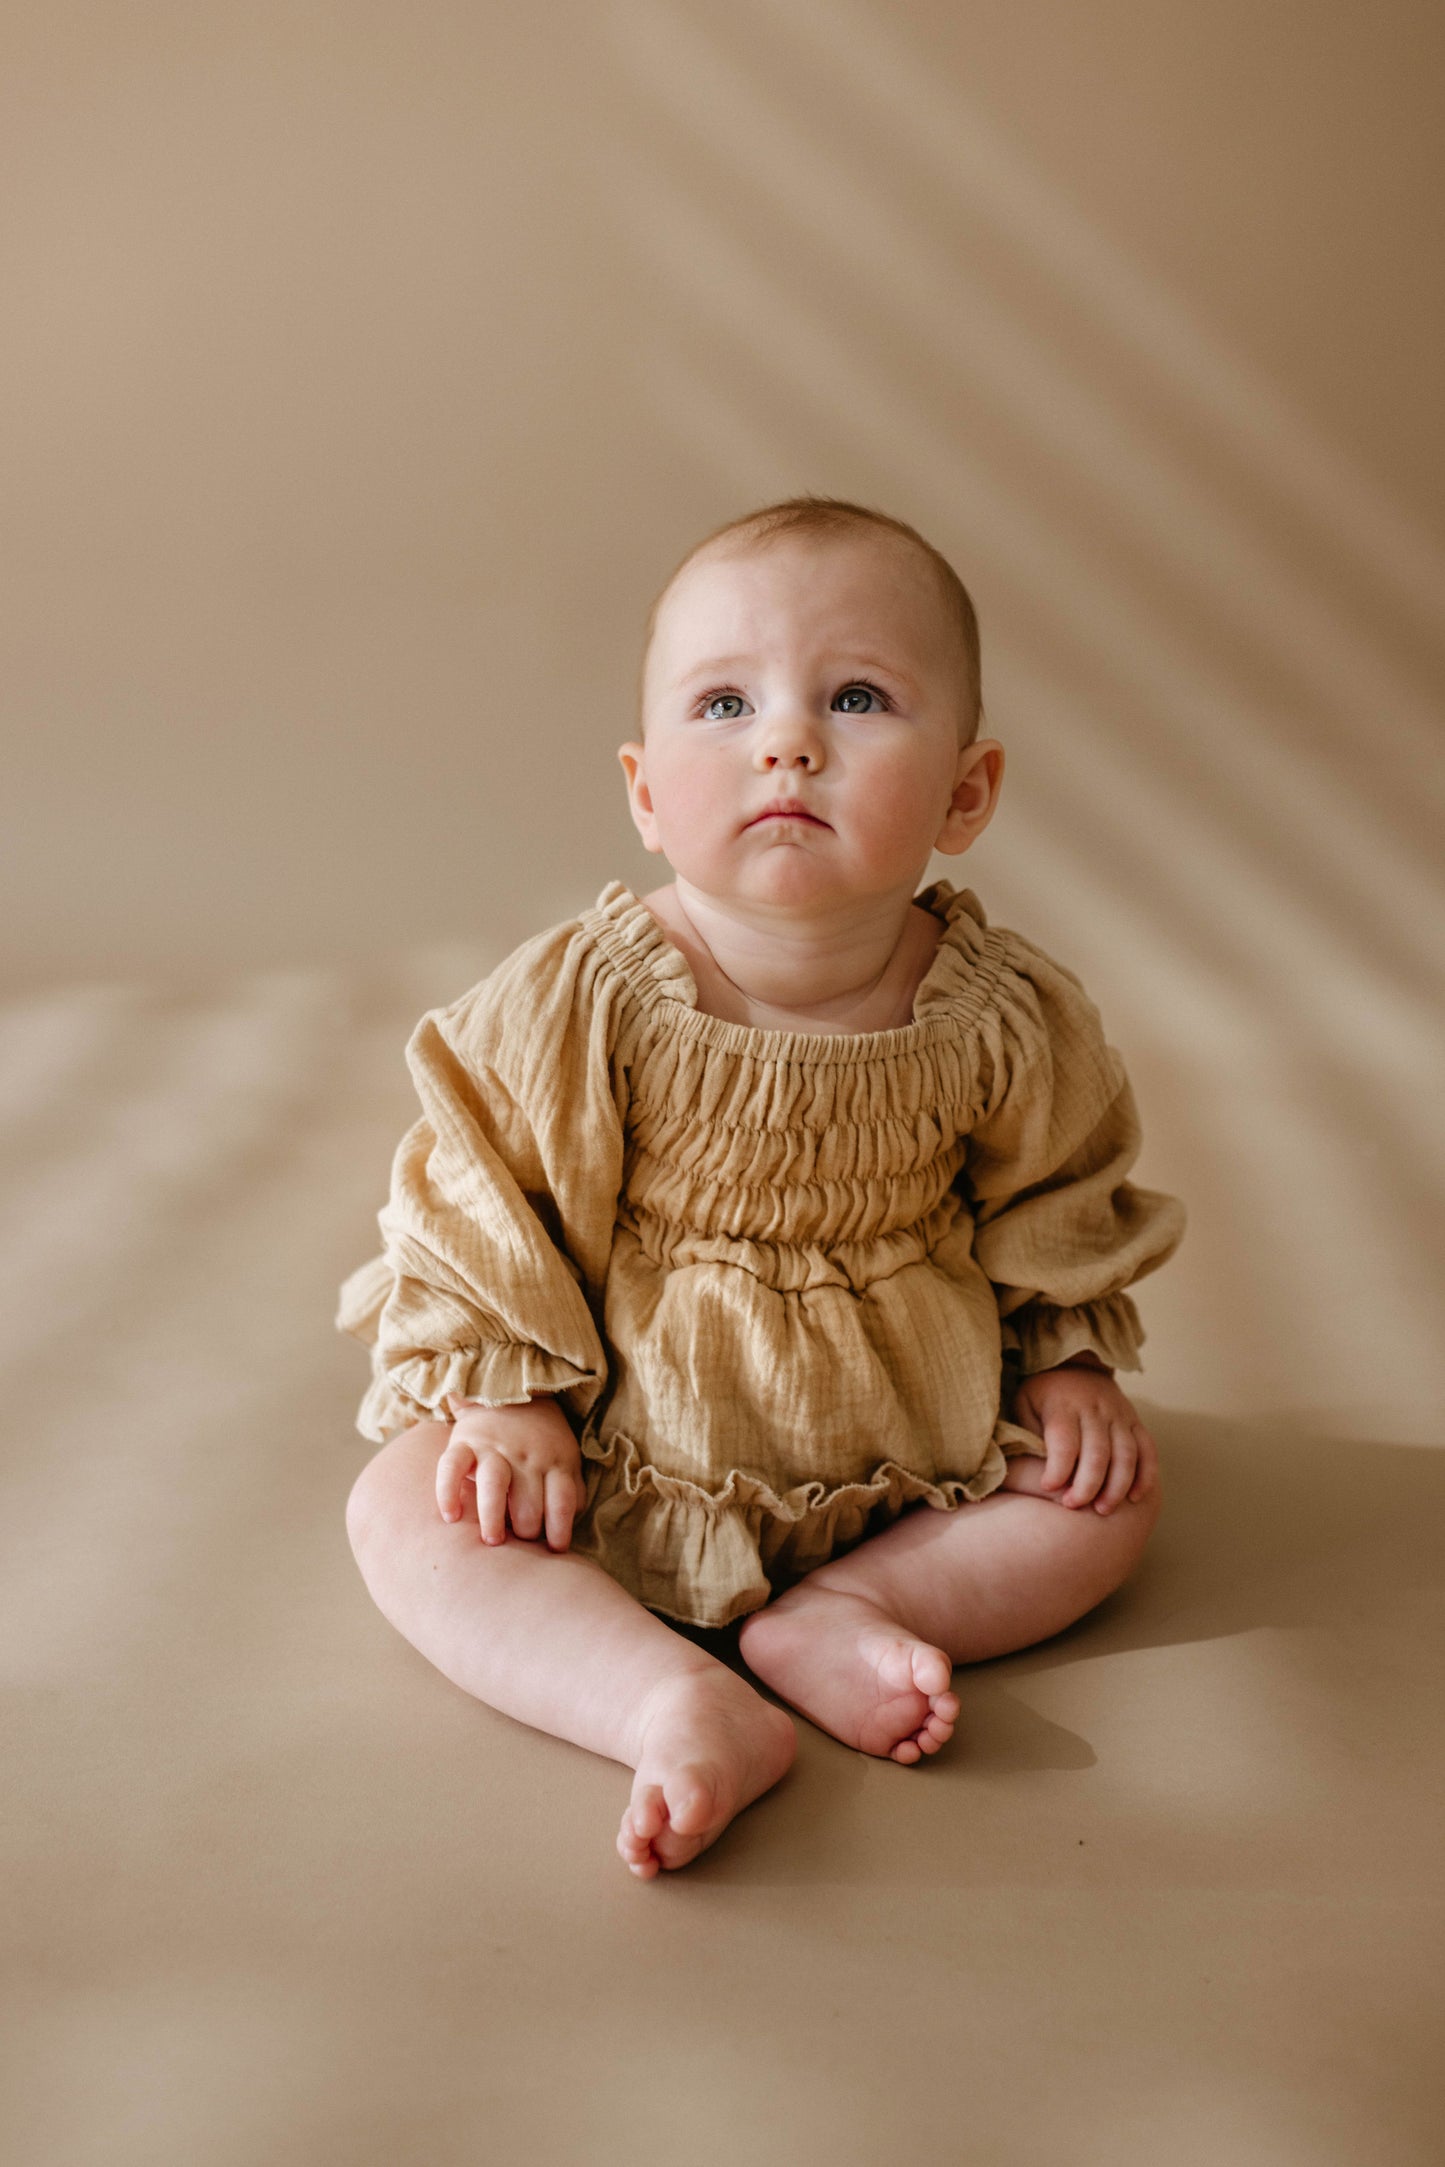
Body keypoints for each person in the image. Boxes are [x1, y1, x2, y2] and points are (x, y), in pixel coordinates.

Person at [337, 496, 1186, 1880]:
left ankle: (847, 1610)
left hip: (919, 1464)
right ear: (645, 791)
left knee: (1116, 1495)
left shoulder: (1002, 1013)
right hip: (619, 1451)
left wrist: (1069, 1358)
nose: (787, 740)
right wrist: (510, 1398)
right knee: (404, 1503)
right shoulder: (583, 999)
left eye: (855, 697)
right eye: (724, 704)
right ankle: (668, 1701)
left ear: (966, 794)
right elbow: (481, 1183)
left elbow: (1061, 1193)